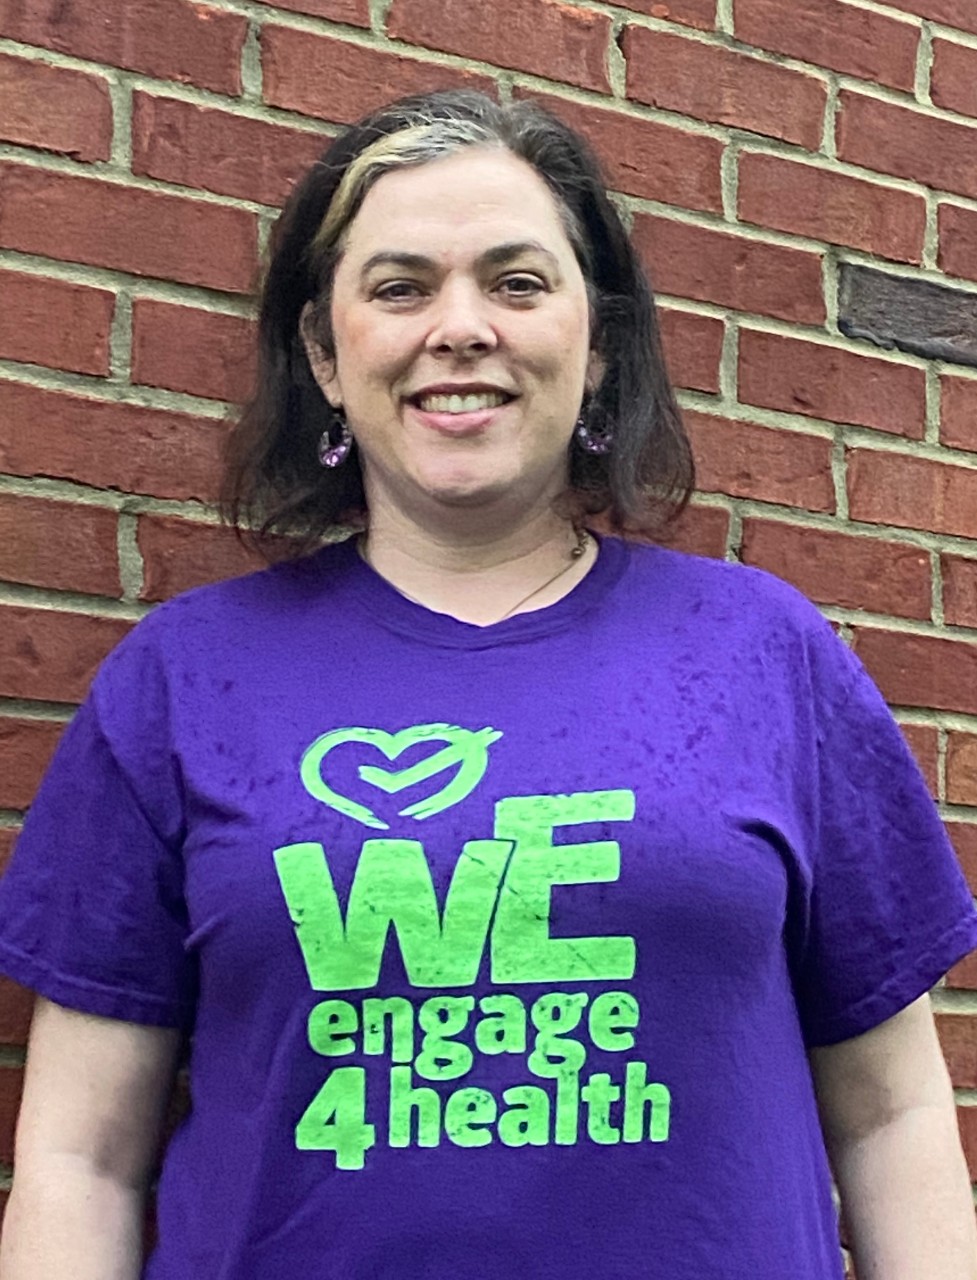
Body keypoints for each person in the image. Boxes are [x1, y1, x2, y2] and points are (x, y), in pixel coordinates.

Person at [0, 89, 974, 1280]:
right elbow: (79, 1159)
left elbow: (892, 1117)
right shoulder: (181, 678)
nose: (460, 327)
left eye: (515, 282)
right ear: (324, 350)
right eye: (400, 287)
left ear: (597, 338)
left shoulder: (762, 653)